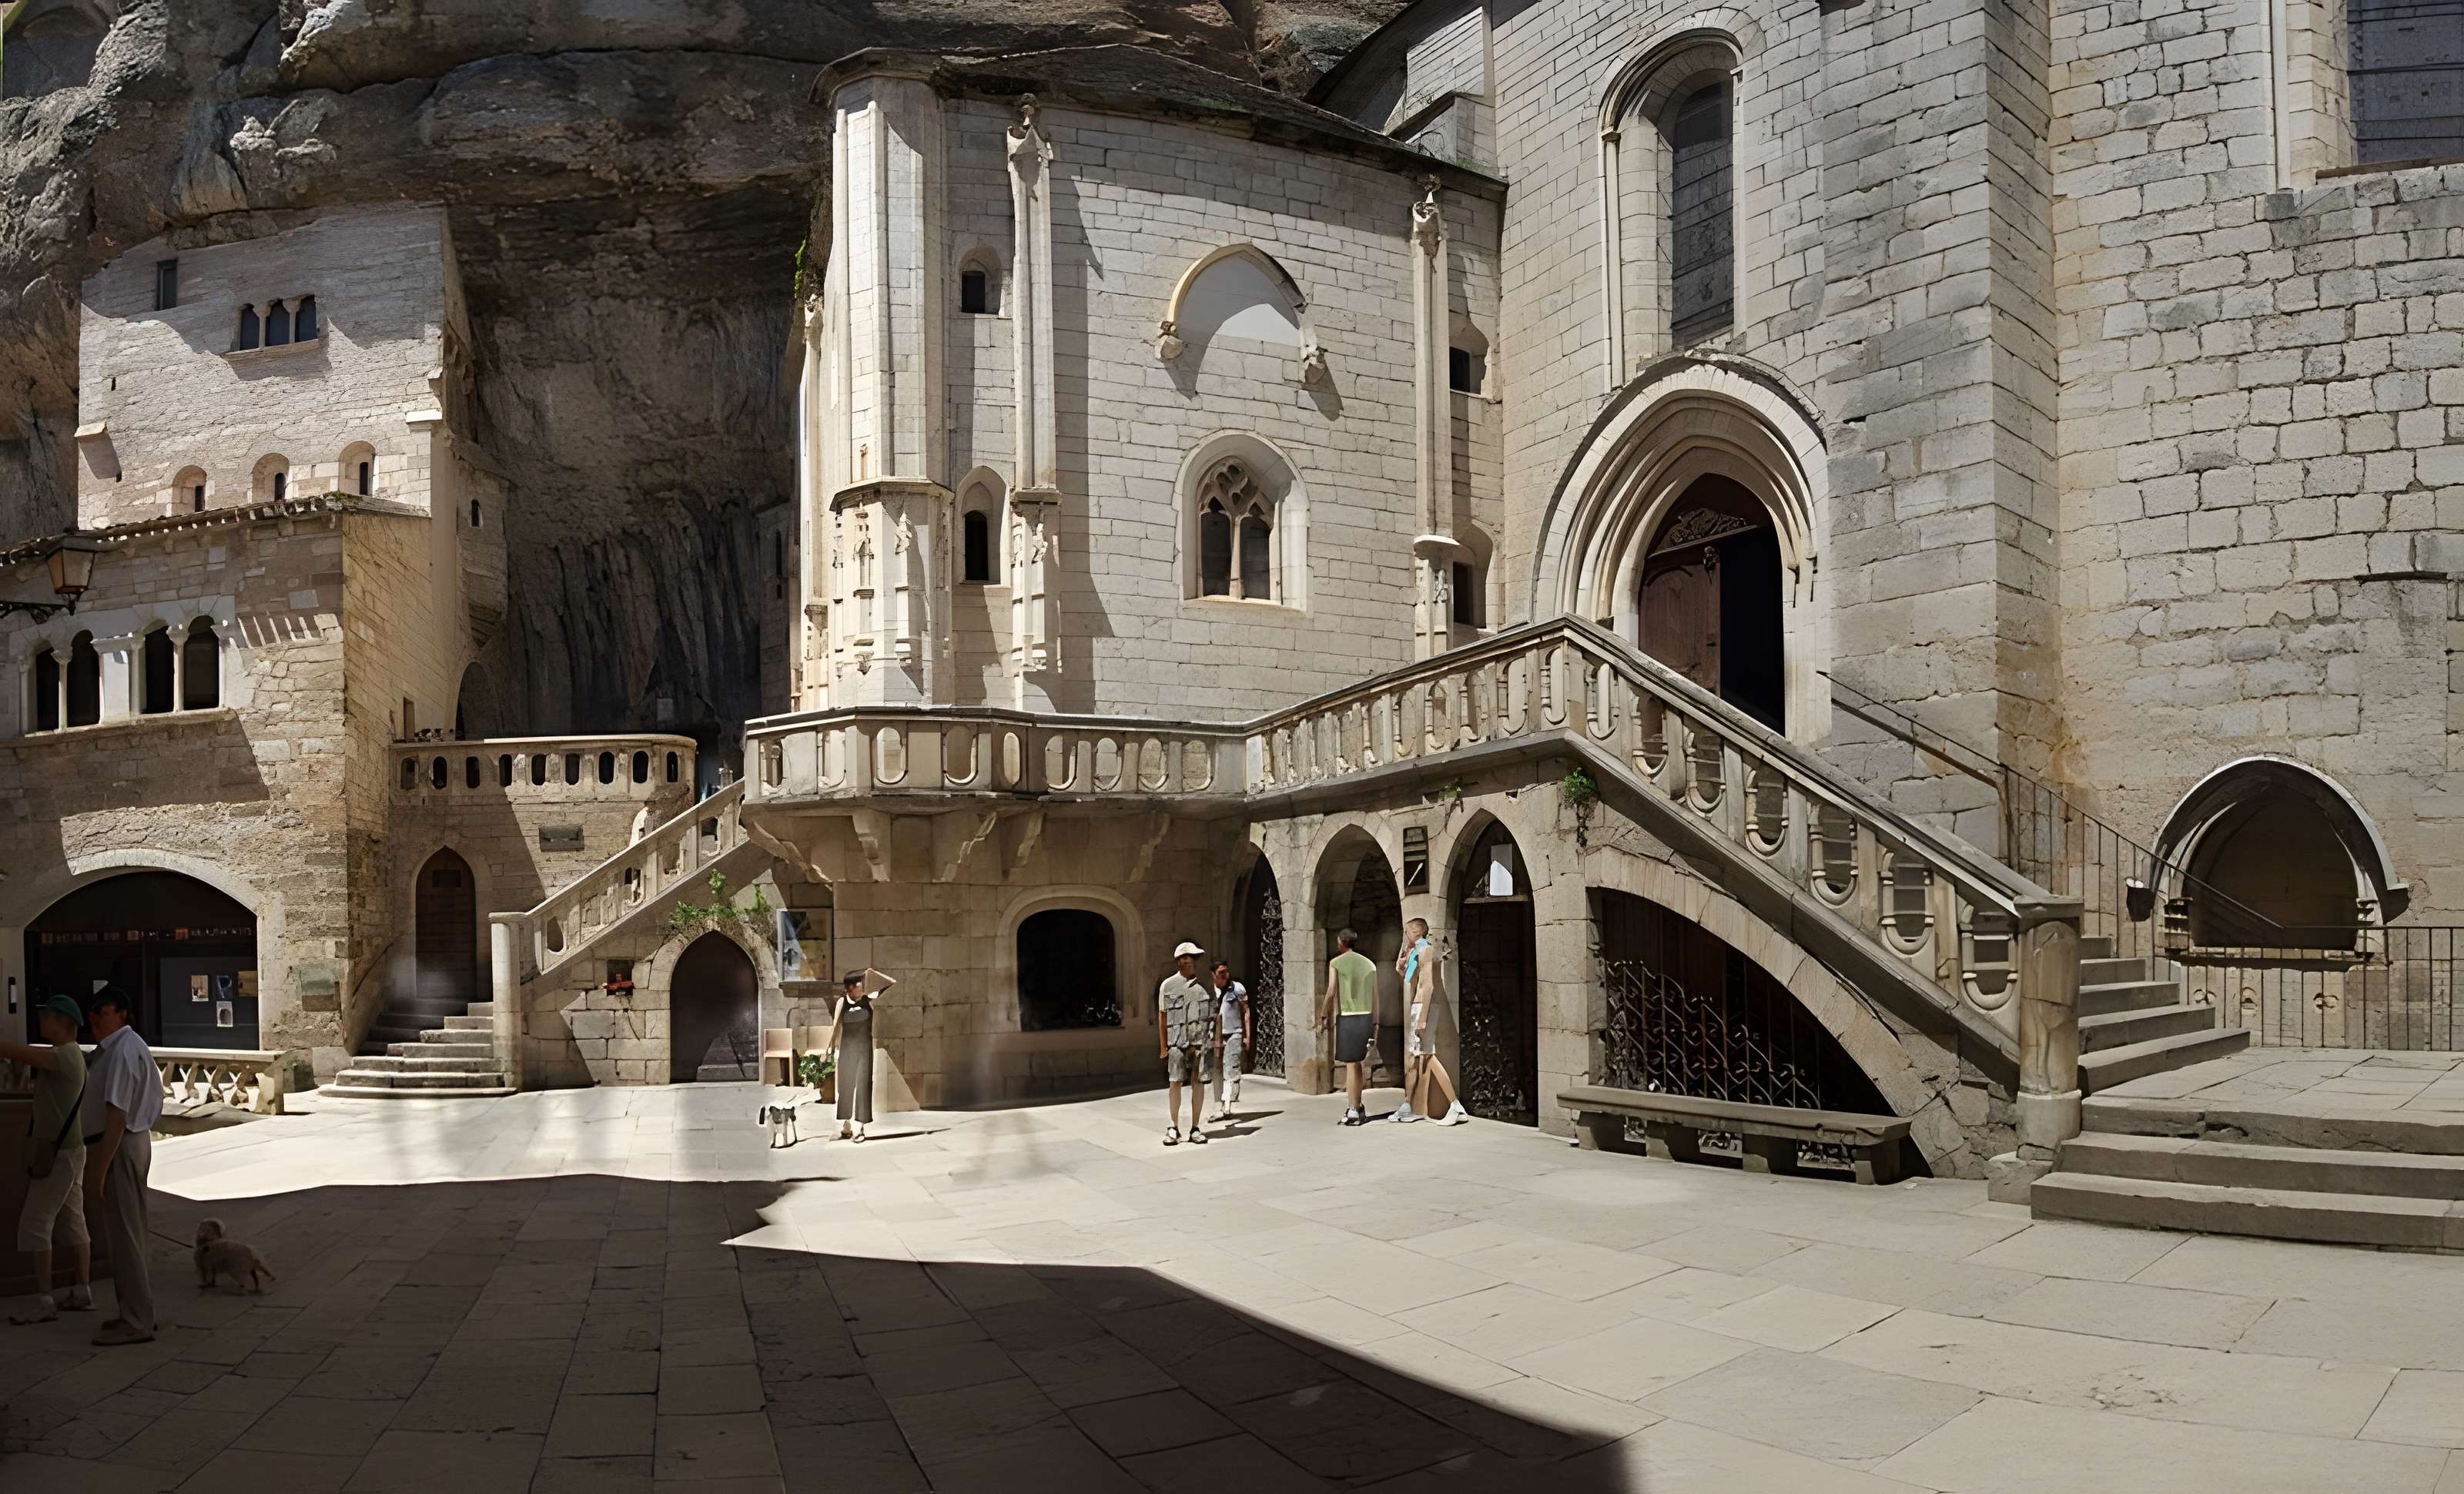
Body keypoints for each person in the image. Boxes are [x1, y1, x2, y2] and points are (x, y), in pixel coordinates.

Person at [4, 995, 94, 1324]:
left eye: (46, 1018)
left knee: (36, 1222)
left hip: (60, 1153)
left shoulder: (67, 1055)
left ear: (61, 1022)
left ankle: (44, 1300)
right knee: (73, 1220)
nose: (42, 1023)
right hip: (69, 1151)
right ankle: (82, 1290)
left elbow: (20, 1053)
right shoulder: (70, 1056)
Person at [81, 986, 161, 1347]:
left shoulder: (124, 1050)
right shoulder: (118, 1049)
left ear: (122, 1014)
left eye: (104, 1010)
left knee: (126, 1235)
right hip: (126, 1142)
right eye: (94, 1010)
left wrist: (97, 1171)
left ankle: (137, 1320)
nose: (96, 1017)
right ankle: (135, 1310)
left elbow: (117, 1115)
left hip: (122, 1143)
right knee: (126, 1233)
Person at [1392, 919, 1469, 1125]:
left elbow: (1429, 986)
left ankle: (1455, 1105)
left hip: (1423, 1007)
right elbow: (1410, 978)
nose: (1404, 935)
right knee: (1416, 1057)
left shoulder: (1425, 950)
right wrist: (1402, 963)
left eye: (1406, 931)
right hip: (1418, 1007)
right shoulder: (1416, 951)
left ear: (1415, 932)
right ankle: (1409, 1104)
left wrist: (1423, 1017)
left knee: (1427, 1056)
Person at [825, 968, 893, 1141]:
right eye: (859, 984)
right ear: (850, 987)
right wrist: (829, 1050)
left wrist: (871, 973)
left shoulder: (868, 999)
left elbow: (890, 982)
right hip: (847, 1049)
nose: (862, 987)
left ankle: (860, 1128)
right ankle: (846, 1126)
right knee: (846, 1087)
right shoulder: (842, 1002)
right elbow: (835, 1027)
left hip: (864, 1049)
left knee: (863, 1085)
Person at [1319, 927, 1377, 1126]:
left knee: (1351, 1065)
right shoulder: (1369, 964)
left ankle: (1352, 1109)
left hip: (1348, 1016)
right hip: (1366, 1014)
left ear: (1341, 943)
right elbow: (1374, 992)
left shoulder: (1336, 963)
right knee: (1357, 1063)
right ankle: (1358, 1106)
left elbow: (1332, 989)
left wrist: (1323, 1013)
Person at [1157, 942, 1213, 1145]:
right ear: (1179, 960)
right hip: (1176, 1041)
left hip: (1200, 1042)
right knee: (1175, 1082)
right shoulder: (1168, 985)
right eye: (1187, 957)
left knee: (1198, 1082)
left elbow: (1213, 1015)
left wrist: (1213, 1042)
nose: (1190, 961)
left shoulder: (1205, 984)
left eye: (1193, 958)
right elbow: (1163, 1016)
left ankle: (1195, 1128)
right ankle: (1173, 1127)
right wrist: (1163, 1046)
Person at [1207, 960, 1249, 1124]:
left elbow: (1246, 1012)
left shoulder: (1237, 988)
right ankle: (1219, 1105)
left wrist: (1247, 1036)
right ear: (1213, 975)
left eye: (1226, 971)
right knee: (1217, 1071)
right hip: (1216, 1036)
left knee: (1230, 1069)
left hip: (1234, 1033)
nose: (1225, 975)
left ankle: (1227, 1106)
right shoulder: (1210, 991)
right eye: (1221, 972)